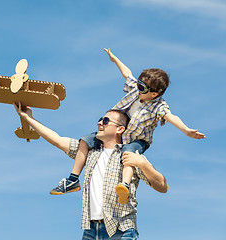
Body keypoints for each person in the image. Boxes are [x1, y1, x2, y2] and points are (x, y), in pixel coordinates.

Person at [50, 48, 205, 204]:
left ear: (154, 94)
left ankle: (124, 185)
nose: (138, 88)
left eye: (143, 88)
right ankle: (72, 180)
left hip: (137, 140)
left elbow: (171, 117)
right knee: (85, 140)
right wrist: (114, 59)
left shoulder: (158, 106)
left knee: (128, 153)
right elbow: (126, 73)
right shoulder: (134, 89)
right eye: (139, 83)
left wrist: (186, 130)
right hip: (117, 132)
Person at [13, 102, 168, 240]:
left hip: (122, 230)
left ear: (120, 129)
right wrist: (28, 118)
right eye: (100, 119)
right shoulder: (89, 152)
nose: (100, 123)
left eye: (106, 121)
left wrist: (143, 164)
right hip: (91, 231)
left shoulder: (130, 155)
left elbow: (162, 186)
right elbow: (58, 140)